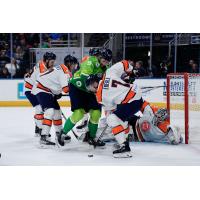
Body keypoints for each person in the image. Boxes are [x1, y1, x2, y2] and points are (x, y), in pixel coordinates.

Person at [56, 48, 112, 147]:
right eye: (104, 60)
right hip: (77, 87)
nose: (105, 63)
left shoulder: (106, 67)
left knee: (96, 113)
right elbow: (85, 77)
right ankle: (62, 133)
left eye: (107, 61)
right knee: (79, 113)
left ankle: (91, 137)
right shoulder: (91, 61)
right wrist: (96, 87)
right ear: (99, 57)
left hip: (91, 90)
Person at [95, 60, 143, 158]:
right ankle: (124, 141)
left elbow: (110, 111)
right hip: (137, 97)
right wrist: (132, 71)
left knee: (112, 119)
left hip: (130, 102)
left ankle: (124, 147)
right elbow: (124, 63)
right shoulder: (109, 72)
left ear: (94, 83)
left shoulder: (100, 96)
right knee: (120, 118)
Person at [34, 53, 71, 146]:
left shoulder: (59, 70)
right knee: (50, 112)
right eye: (51, 61)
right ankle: (43, 136)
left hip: (48, 91)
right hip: (41, 89)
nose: (53, 63)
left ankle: (59, 133)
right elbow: (66, 89)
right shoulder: (64, 73)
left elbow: (54, 84)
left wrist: (57, 94)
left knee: (57, 112)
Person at [24, 52, 51, 136]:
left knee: (41, 108)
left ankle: (37, 126)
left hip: (34, 88)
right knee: (39, 108)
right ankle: (40, 129)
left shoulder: (42, 65)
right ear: (46, 60)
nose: (53, 63)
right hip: (30, 89)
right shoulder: (42, 68)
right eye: (51, 61)